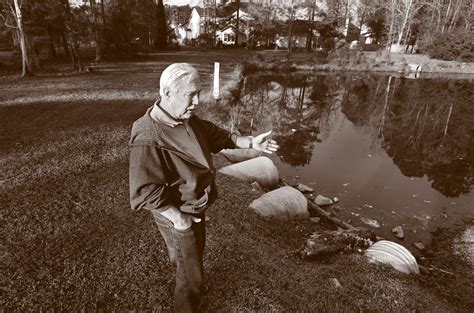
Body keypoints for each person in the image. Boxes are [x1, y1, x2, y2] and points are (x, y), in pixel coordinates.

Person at [129, 63, 279, 312]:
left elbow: (213, 135)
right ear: (167, 93)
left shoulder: (183, 116)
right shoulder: (148, 136)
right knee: (188, 266)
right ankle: (188, 301)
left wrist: (250, 141)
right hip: (179, 211)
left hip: (195, 205)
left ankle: (191, 277)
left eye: (199, 92)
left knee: (189, 256)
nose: (197, 100)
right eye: (191, 94)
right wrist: (179, 219)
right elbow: (143, 191)